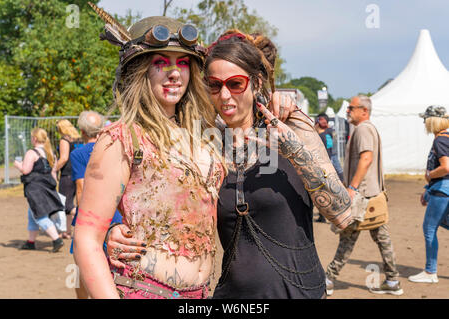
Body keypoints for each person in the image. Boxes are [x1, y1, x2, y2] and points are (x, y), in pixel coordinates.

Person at [107, 29, 354, 299]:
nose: (225, 95)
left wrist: (294, 150)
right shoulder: (204, 145)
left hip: (299, 293)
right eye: (215, 85)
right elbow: (159, 198)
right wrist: (115, 230)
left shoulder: (291, 125)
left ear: (256, 83)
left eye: (235, 84)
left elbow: (342, 213)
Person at [74, 6, 226, 299]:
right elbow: (86, 238)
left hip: (201, 295)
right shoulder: (121, 137)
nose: (173, 73)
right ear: (139, 71)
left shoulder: (204, 135)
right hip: (142, 291)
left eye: (182, 63)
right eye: (160, 62)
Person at [325, 95, 403, 296]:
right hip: (371, 195)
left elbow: (366, 158)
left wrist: (352, 187)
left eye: (351, 108)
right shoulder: (366, 128)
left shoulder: (363, 129)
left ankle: (328, 279)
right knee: (381, 238)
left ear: (364, 111)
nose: (348, 111)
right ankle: (393, 280)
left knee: (347, 237)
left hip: (364, 197)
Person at [69, 110, 123, 299]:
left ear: (82, 132)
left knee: (81, 267)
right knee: (114, 266)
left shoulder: (78, 154)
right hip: (116, 214)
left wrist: (77, 214)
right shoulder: (114, 148)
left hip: (91, 217)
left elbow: (81, 187)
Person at [408, 106, 449, 284]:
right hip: (440, 188)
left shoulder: (440, 140)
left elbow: (446, 168)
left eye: (425, 120)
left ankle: (430, 271)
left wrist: (429, 176)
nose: (424, 123)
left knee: (429, 228)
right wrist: (428, 188)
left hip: (442, 189)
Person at [14, 128, 65, 252]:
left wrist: (17, 165)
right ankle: (31, 242)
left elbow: (26, 170)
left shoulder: (32, 153)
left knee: (39, 215)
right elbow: (53, 172)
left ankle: (56, 239)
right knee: (32, 214)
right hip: (47, 187)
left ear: (35, 138)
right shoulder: (50, 153)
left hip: (35, 189)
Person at [55, 119, 83, 239]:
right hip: (80, 173)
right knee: (73, 202)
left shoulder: (64, 140)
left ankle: (83, 218)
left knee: (67, 205)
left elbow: (64, 158)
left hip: (67, 174)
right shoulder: (80, 140)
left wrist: (53, 169)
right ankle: (67, 231)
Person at [315, 113, 344, 223]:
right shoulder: (318, 132)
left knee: (334, 184)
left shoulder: (329, 131)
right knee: (322, 188)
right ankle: (323, 216)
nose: (321, 122)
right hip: (323, 161)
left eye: (323, 120)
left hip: (331, 159)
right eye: (320, 120)